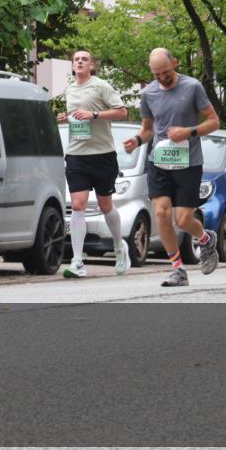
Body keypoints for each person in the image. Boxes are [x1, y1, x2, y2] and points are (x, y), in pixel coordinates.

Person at [122, 48, 220, 287]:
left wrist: (189, 131)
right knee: (161, 213)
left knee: (184, 220)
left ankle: (206, 239)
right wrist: (136, 140)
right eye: (156, 75)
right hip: (160, 162)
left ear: (175, 63)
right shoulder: (148, 93)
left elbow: (214, 121)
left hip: (189, 163)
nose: (162, 78)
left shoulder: (192, 87)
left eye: (165, 72)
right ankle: (178, 269)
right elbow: (147, 128)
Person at [56, 50, 129, 279]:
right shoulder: (69, 88)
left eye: (84, 59)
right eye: (76, 59)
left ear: (92, 65)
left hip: (102, 154)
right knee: (78, 205)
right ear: (72, 65)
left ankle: (119, 246)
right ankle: (78, 261)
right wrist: (65, 118)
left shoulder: (101, 86)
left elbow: (122, 112)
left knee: (105, 205)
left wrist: (94, 115)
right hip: (76, 154)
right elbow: (77, 118)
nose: (79, 62)